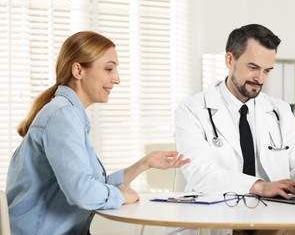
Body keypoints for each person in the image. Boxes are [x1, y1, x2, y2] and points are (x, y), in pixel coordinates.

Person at [6, 31, 190, 235]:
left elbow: (91, 186)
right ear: (78, 70)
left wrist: (144, 164)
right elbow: (82, 192)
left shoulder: (67, 114)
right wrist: (120, 196)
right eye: (109, 69)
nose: (117, 79)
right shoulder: (62, 115)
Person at [174, 24, 295, 235]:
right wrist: (259, 186)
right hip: (221, 216)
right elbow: (200, 173)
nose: (260, 79)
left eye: (267, 70)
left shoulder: (279, 110)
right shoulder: (191, 110)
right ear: (229, 60)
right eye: (253, 67)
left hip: (271, 217)